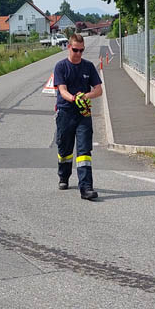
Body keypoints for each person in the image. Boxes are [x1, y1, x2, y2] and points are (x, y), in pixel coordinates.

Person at [53, 33, 104, 200]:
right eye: (75, 50)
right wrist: (74, 98)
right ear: (69, 47)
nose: (78, 53)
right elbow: (62, 90)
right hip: (65, 112)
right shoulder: (61, 67)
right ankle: (64, 176)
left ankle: (86, 187)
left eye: (81, 50)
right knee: (65, 150)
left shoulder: (88, 67)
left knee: (84, 151)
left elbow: (98, 90)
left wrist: (86, 96)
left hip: (83, 114)